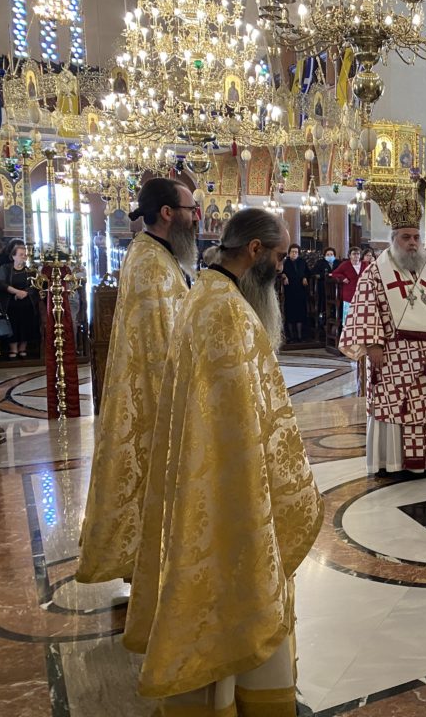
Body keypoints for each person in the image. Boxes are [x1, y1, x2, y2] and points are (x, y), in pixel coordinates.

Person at [123, 209, 323, 715]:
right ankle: (244, 698)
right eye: (278, 257)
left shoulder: (205, 294)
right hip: (232, 488)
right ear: (254, 251)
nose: (281, 269)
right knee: (240, 583)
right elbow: (246, 420)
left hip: (208, 475)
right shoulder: (229, 312)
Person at [76, 178, 197, 584]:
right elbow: (163, 340)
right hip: (156, 396)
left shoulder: (157, 255)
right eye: (190, 209)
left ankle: (157, 564)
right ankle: (151, 567)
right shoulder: (149, 264)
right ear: (167, 213)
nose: (196, 217)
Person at [340, 195, 426, 475]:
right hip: (392, 355)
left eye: (416, 237)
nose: (413, 243)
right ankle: (391, 462)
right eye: (406, 237)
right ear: (394, 238)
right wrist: (372, 343)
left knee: (425, 411)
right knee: (394, 411)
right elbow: (364, 307)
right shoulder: (374, 273)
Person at [0, 245, 38, 358]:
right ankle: (13, 348)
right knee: (13, 324)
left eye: (25, 255)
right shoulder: (5, 268)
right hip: (10, 303)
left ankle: (23, 348)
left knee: (25, 324)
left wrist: (24, 293)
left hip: (27, 302)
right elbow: (1, 283)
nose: (24, 257)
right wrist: (16, 292)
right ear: (13, 256)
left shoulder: (30, 270)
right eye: (21, 254)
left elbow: (34, 285)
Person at [331, 245, 368, 326]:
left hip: (362, 294)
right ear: (349, 255)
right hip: (349, 294)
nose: (356, 256)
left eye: (358, 254)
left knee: (361, 317)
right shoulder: (345, 264)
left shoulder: (365, 264)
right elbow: (334, 273)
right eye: (354, 254)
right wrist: (342, 278)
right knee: (348, 318)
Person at [281, 243, 309, 342]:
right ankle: (291, 336)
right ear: (289, 253)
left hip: (300, 290)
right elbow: (279, 271)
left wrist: (305, 277)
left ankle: (300, 336)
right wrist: (284, 276)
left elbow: (307, 272)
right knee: (290, 313)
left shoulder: (302, 262)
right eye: (292, 252)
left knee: (300, 313)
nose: (294, 254)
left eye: (296, 252)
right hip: (289, 291)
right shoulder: (285, 262)